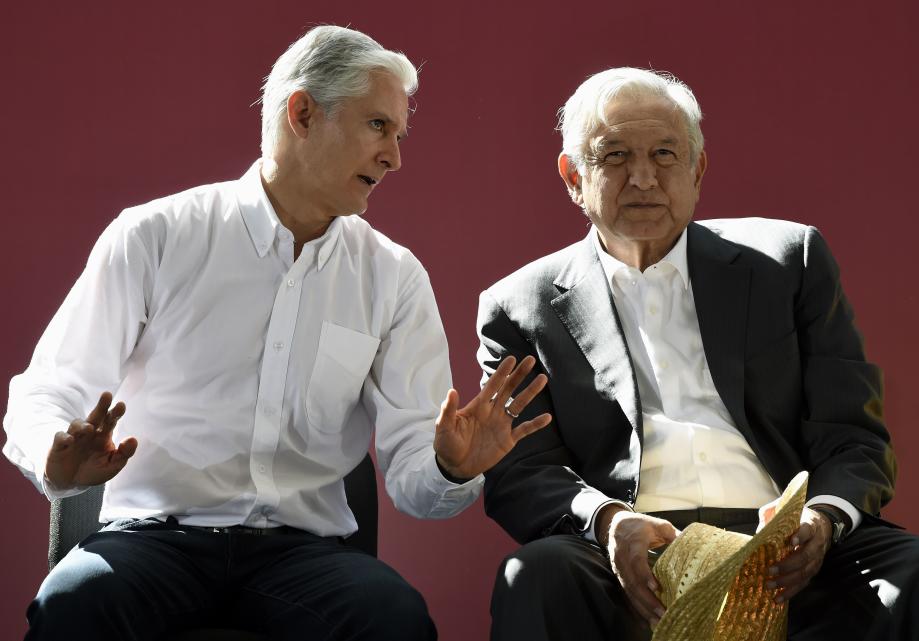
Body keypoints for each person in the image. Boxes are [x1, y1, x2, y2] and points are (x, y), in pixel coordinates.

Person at [3, 25, 551, 641]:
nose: (395, 156)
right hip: (153, 540)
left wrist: (451, 468)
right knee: (74, 606)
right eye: (378, 126)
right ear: (303, 112)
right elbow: (45, 390)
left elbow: (413, 480)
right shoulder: (154, 236)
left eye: (399, 134)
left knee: (395, 622)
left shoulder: (392, 277)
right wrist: (55, 448)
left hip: (305, 556)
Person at [476, 67, 919, 641]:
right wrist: (608, 522)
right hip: (632, 551)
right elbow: (523, 471)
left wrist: (823, 518)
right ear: (572, 176)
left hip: (786, 543)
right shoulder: (519, 305)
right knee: (535, 575)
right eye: (614, 157)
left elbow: (854, 433)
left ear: (697, 169)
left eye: (664, 154)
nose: (644, 178)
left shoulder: (788, 261)